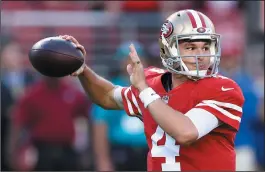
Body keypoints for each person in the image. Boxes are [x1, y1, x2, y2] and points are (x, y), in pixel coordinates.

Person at [60, 9, 244, 171]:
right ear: (169, 48)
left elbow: (186, 132)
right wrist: (83, 70)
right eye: (190, 47)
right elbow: (107, 96)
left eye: (206, 47)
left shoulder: (224, 88)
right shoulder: (153, 82)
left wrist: (144, 91)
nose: (201, 55)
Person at [8, 77, 90, 171]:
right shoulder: (33, 94)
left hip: (67, 150)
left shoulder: (72, 92)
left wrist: (88, 152)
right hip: (42, 151)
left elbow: (89, 116)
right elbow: (18, 123)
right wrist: (13, 152)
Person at [91, 41, 148, 171]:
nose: (132, 62)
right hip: (121, 151)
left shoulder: (154, 87)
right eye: (127, 59)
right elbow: (100, 125)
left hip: (149, 151)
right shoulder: (111, 89)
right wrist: (103, 160)